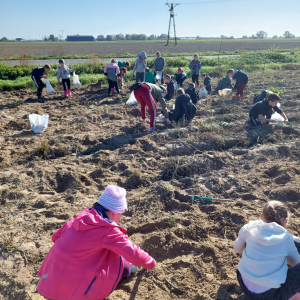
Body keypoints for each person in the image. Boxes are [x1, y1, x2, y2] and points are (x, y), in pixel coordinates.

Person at [37, 185, 155, 300]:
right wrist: (150, 263)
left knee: (111, 259)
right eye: (121, 213)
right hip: (73, 293)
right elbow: (134, 253)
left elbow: (55, 237)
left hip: (49, 281)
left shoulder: (77, 219)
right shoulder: (107, 229)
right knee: (125, 267)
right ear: (115, 212)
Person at [234, 200, 300, 300]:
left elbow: (237, 249)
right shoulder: (287, 238)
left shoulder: (248, 227)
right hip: (268, 296)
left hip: (243, 283)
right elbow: (296, 263)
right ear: (284, 221)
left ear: (261, 216)